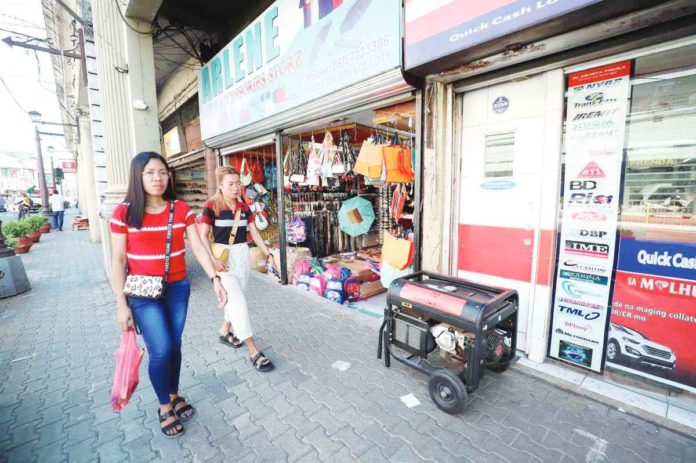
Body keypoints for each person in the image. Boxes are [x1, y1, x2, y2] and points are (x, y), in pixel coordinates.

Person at [109, 152, 227, 438]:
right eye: (150, 173)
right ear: (138, 176)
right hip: (142, 293)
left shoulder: (181, 209)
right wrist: (121, 304)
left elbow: (198, 246)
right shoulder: (123, 213)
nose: (157, 178)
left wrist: (215, 277)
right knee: (160, 350)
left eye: (162, 172)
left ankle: (173, 393)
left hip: (176, 289)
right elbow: (118, 260)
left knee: (174, 346)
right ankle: (164, 405)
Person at [198, 166, 275, 372]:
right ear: (221, 186)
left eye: (237, 183)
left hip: (242, 256)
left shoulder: (244, 207)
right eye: (230, 184)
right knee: (239, 304)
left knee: (234, 299)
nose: (235, 187)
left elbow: (255, 234)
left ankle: (225, 331)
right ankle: (253, 350)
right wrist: (212, 260)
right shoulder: (211, 206)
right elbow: (202, 235)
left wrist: (268, 254)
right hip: (223, 260)